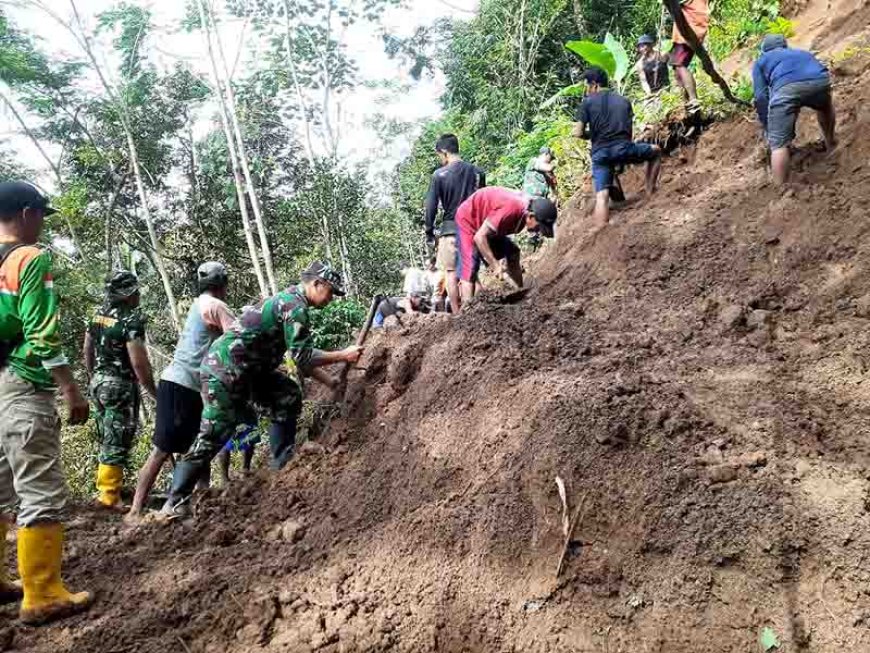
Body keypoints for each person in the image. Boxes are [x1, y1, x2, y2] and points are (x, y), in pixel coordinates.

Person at [160, 261, 363, 517]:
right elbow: (303, 356)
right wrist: (343, 355)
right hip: (225, 371)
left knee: (286, 395)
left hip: (250, 372)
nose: (332, 298)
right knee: (215, 432)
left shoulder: (290, 302)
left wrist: (330, 381)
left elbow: (300, 357)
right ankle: (175, 501)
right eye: (331, 291)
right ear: (316, 284)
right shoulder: (294, 306)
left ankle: (283, 464)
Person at [0, 181, 92, 625]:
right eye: (40, 214)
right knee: (38, 487)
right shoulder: (29, 259)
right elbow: (40, 333)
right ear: (24, 213)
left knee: (0, 491)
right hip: (23, 381)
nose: (42, 223)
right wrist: (70, 388)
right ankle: (41, 593)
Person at [127, 262, 235, 519]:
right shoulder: (215, 306)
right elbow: (240, 340)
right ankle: (135, 510)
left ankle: (198, 498)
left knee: (199, 444)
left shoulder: (200, 304)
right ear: (223, 285)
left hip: (183, 385)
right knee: (163, 450)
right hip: (182, 386)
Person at [84, 271, 157, 510]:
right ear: (127, 294)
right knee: (117, 439)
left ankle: (110, 489)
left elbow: (88, 348)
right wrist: (154, 391)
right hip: (119, 386)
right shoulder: (130, 321)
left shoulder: (97, 316)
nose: (138, 295)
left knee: (108, 435)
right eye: (135, 291)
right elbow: (139, 363)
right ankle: (108, 495)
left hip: (99, 383)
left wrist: (92, 375)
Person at [572, 67, 663, 231]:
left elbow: (577, 133)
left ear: (594, 84)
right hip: (624, 148)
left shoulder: (587, 103)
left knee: (602, 196)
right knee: (655, 151)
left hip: (601, 155)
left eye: (586, 86)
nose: (586, 91)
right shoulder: (624, 100)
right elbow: (630, 131)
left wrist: (592, 135)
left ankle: (601, 232)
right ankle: (650, 190)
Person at [752, 34, 836, 185]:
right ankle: (831, 143)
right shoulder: (802, 52)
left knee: (778, 144)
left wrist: (769, 126)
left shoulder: (761, 61)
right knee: (824, 106)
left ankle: (780, 187)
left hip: (787, 88)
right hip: (820, 81)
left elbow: (760, 97)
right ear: (785, 46)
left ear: (764, 51)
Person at [454, 187, 557, 306]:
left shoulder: (528, 207)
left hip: (488, 224)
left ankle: (519, 292)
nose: (537, 231)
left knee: (513, 253)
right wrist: (495, 265)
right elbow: (479, 237)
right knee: (469, 269)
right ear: (531, 216)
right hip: (468, 220)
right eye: (539, 227)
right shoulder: (512, 209)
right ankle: (467, 315)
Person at [424, 134, 485, 314]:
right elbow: (482, 200)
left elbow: (431, 206)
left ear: (444, 152)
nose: (440, 159)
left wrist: (429, 231)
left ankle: (458, 315)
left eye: (439, 156)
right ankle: (474, 311)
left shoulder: (439, 175)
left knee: (450, 273)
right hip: (472, 230)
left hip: (449, 230)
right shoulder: (477, 172)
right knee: (470, 272)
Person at [670, 0, 710, 111]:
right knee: (676, 68)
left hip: (690, 27)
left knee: (679, 64)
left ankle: (693, 99)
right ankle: (686, 102)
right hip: (690, 26)